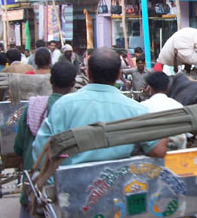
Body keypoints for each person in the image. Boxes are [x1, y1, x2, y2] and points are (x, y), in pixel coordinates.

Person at [32, 48, 167, 167]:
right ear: (117, 75)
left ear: (88, 73)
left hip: (70, 189)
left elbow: (41, 152)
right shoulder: (136, 110)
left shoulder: (63, 106)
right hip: (119, 185)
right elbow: (158, 150)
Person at [13, 62, 78, 218]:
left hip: (42, 180)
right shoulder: (79, 108)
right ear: (74, 82)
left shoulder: (33, 107)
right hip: (75, 182)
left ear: (51, 81)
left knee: (32, 197)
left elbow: (18, 147)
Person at [141, 71, 186, 150]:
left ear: (150, 88)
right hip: (178, 154)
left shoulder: (142, 107)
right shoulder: (178, 106)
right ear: (168, 87)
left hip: (152, 154)